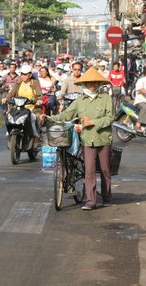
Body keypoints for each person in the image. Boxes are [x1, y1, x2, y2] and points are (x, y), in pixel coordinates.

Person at [44, 68, 113, 210]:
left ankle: (107, 194)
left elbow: (110, 118)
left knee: (105, 169)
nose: (92, 85)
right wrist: (50, 117)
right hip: (87, 139)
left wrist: (93, 122)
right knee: (89, 171)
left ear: (99, 83)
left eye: (95, 83)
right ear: (85, 84)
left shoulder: (106, 98)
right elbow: (67, 114)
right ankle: (91, 201)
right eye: (89, 83)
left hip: (103, 138)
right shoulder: (80, 101)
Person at [2, 64, 43, 138]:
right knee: (9, 115)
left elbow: (39, 92)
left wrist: (39, 100)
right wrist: (6, 98)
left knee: (36, 117)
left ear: (30, 75)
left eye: (25, 74)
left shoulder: (35, 82)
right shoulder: (19, 82)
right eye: (22, 74)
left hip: (32, 106)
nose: (23, 76)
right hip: (19, 107)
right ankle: (10, 130)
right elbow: (12, 92)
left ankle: (36, 134)